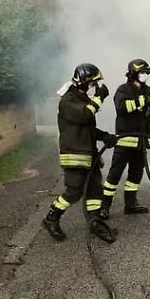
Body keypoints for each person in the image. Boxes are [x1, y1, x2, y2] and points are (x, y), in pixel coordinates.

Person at [42, 62, 119, 243]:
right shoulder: (68, 100)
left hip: (88, 154)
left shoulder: (83, 100)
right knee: (74, 191)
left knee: (95, 189)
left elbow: (87, 127)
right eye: (93, 83)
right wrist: (99, 98)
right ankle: (51, 218)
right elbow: (83, 116)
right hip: (75, 154)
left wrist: (105, 136)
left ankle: (95, 222)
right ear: (82, 81)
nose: (96, 87)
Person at [98, 58, 150, 218]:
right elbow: (122, 107)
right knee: (114, 175)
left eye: (146, 73)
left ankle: (130, 204)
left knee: (135, 174)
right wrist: (143, 100)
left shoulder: (147, 90)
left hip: (141, 142)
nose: (145, 75)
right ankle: (104, 207)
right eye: (142, 72)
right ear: (133, 74)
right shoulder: (123, 90)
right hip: (125, 141)